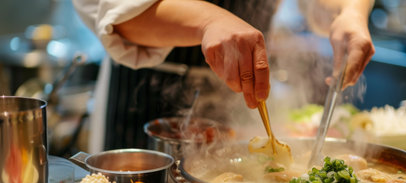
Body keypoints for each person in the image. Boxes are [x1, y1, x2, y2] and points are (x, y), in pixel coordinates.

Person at [72, 0, 375, 152]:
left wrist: (351, 12)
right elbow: (115, 13)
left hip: (240, 101)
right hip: (144, 93)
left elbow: (327, 6)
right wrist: (209, 20)